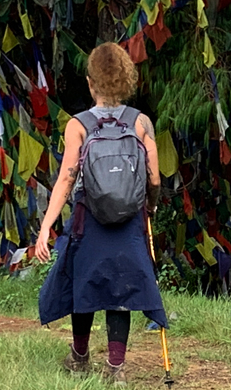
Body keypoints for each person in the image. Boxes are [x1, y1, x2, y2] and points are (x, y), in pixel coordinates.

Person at [32, 42, 165, 385]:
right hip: (129, 217)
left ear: (91, 83)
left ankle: (79, 357)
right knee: (120, 290)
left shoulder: (78, 124)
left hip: (87, 217)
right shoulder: (141, 123)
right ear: (126, 79)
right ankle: (116, 368)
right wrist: (148, 206)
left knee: (85, 283)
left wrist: (46, 226)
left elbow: (66, 178)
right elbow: (154, 176)